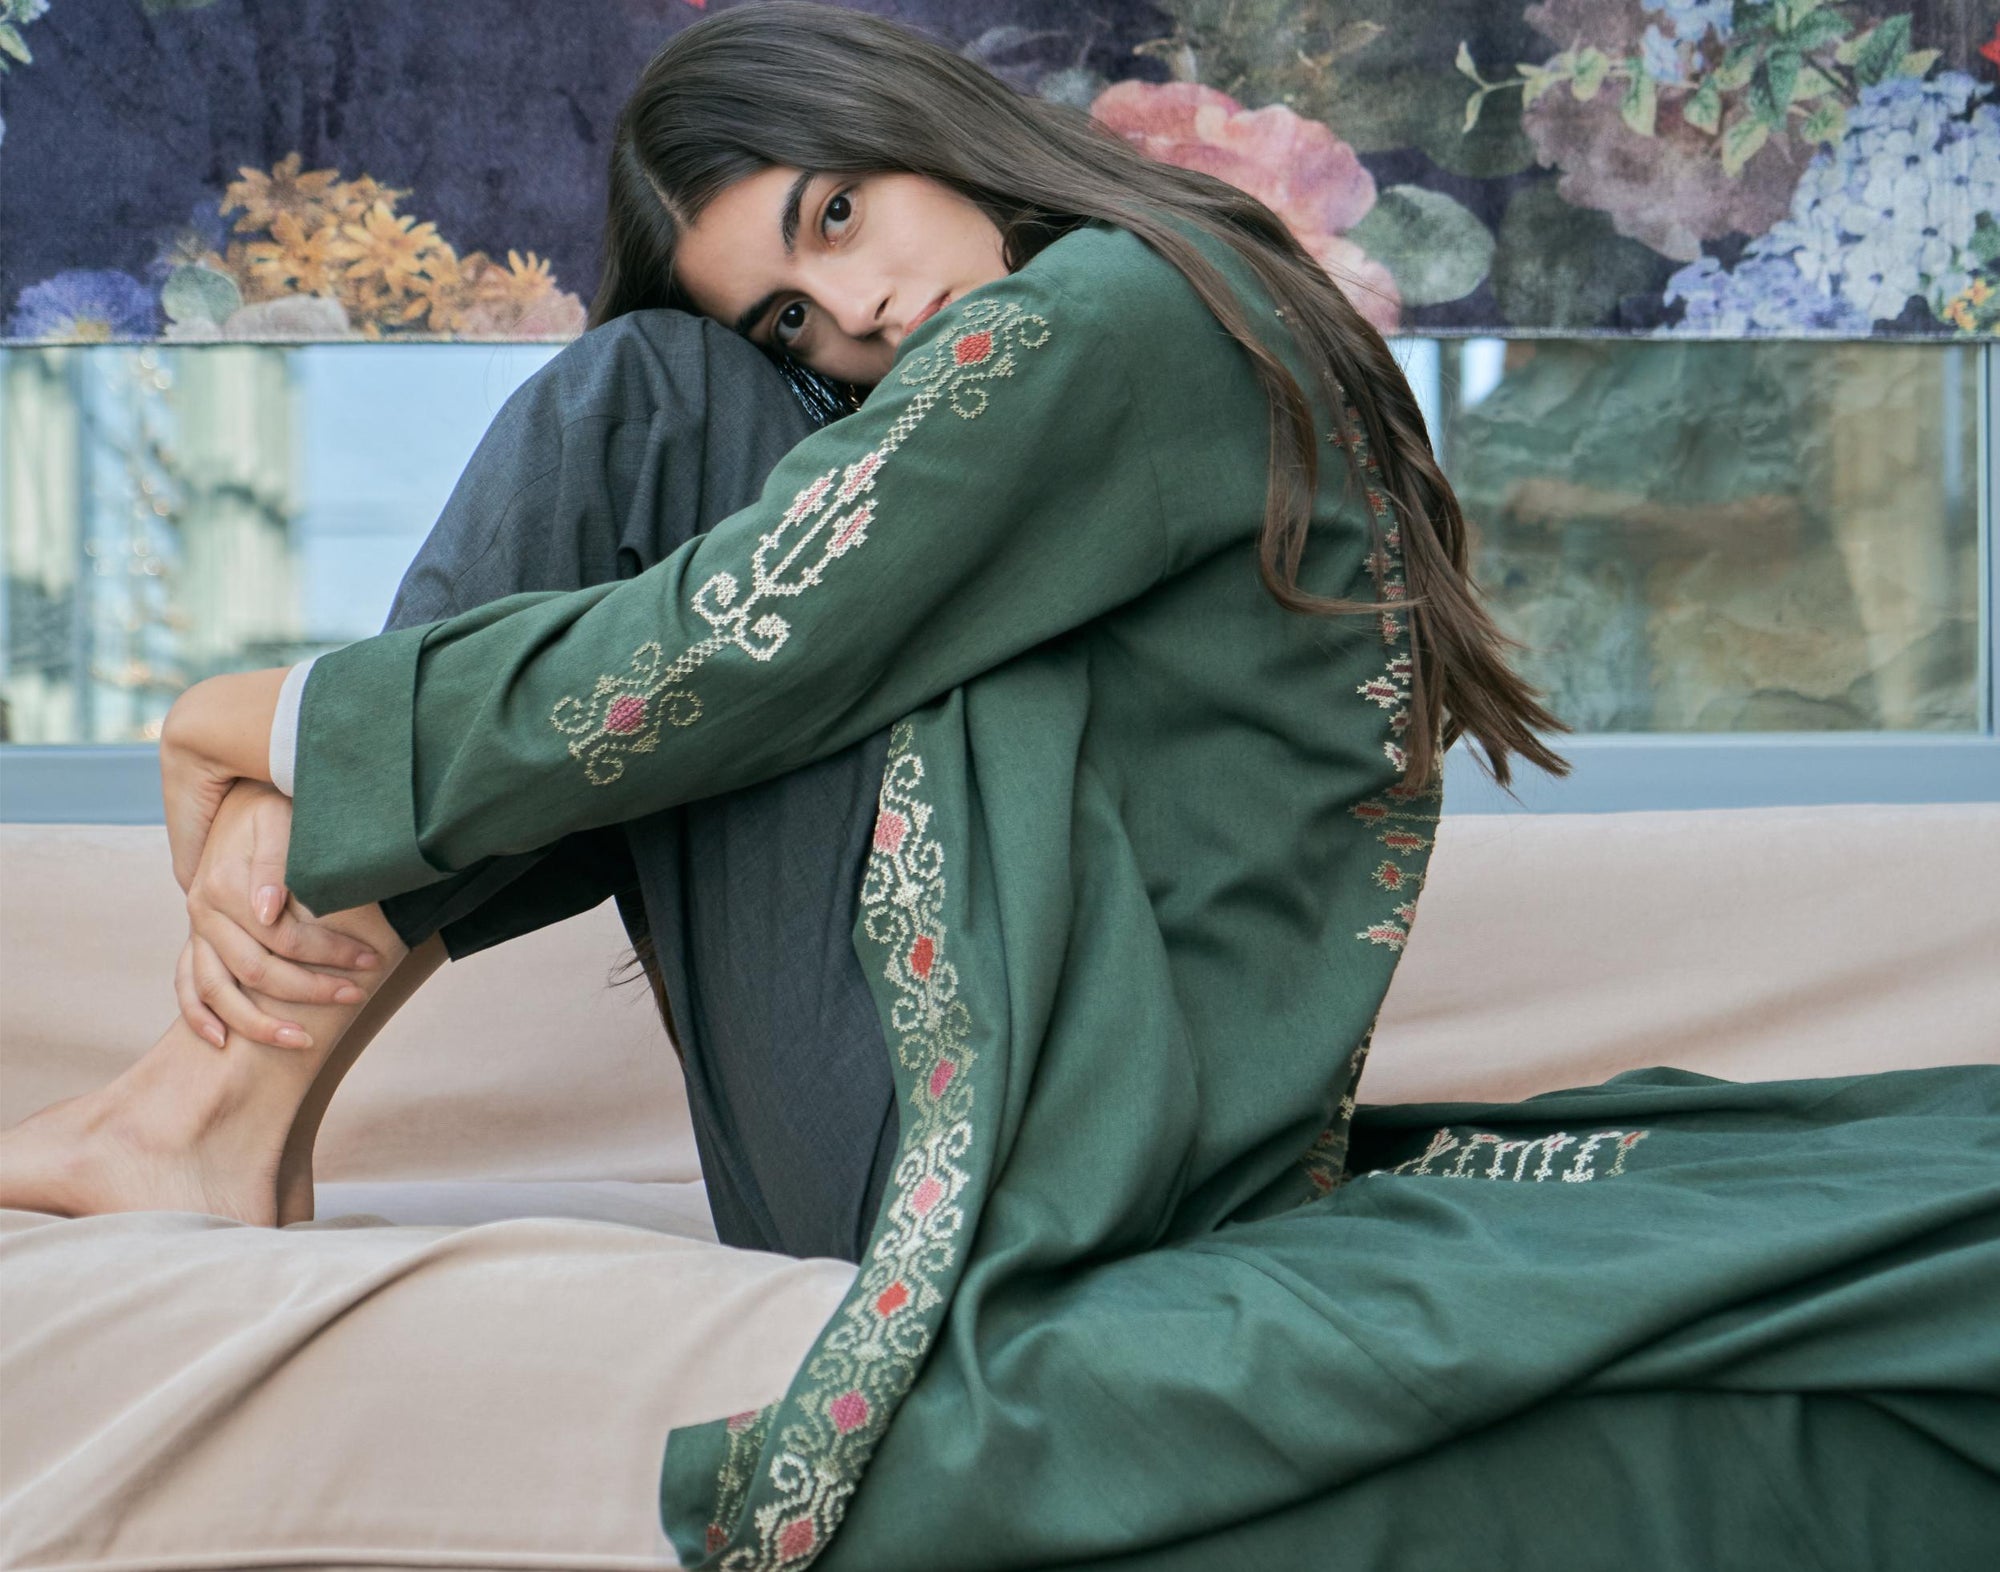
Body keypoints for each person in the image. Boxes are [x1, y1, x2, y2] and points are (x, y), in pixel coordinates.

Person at [2, 7, 1994, 1568]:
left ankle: (208, 1109)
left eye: (837, 218)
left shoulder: (1125, 319)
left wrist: (253, 721)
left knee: (654, 417)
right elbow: (695, 679)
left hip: (1011, 1151)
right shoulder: (1132, 347)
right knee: (683, 452)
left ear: (932, 132)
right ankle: (219, 1115)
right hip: (1014, 1111)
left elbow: (710, 652)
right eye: (790, 309)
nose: (845, 311)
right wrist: (327, 755)